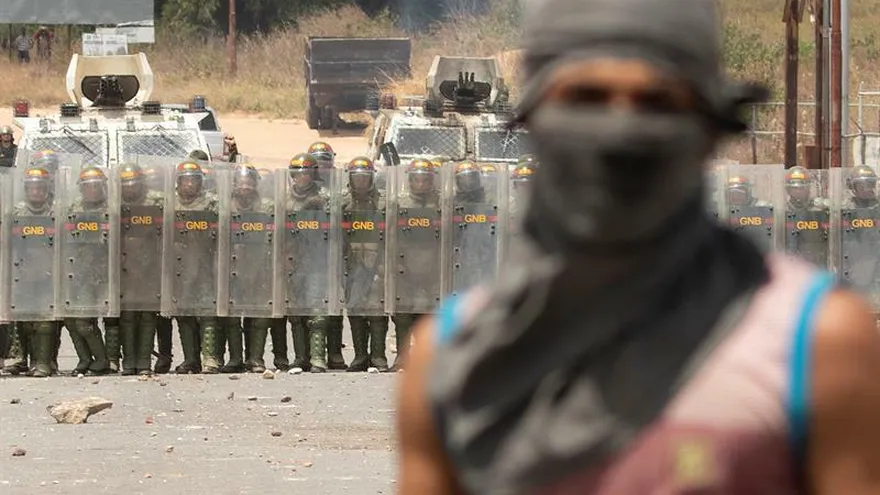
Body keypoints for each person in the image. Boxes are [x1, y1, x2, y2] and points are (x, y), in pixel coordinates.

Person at [397, 0, 880, 493]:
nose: (620, 132)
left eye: (658, 102)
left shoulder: (815, 342)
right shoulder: (450, 359)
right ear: (531, 120)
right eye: (585, 97)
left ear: (711, 128)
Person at [340, 157, 389, 372]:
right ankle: (360, 355)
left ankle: (378, 356)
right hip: (352, 262)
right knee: (355, 307)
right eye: (357, 177)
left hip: (378, 261)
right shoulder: (343, 203)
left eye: (364, 177)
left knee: (377, 309)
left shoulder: (384, 203)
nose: (360, 182)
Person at [62, 167, 112, 376]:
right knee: (70, 320)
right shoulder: (73, 208)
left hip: (98, 273)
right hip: (74, 269)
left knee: (84, 321)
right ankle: (84, 359)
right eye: (87, 186)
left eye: (96, 186)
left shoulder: (110, 209)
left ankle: (101, 360)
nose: (92, 190)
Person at [118, 163, 165, 376]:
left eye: (133, 183)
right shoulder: (114, 201)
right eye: (125, 183)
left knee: (147, 314)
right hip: (123, 264)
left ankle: (144, 360)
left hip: (151, 263)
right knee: (127, 314)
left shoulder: (157, 200)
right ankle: (128, 361)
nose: (129, 187)